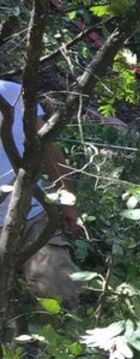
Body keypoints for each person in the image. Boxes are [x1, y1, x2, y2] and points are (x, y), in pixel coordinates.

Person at [1, 80, 82, 307]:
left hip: (30, 215)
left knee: (58, 289)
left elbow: (47, 151)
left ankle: (65, 338)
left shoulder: (12, 94)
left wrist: (69, 205)